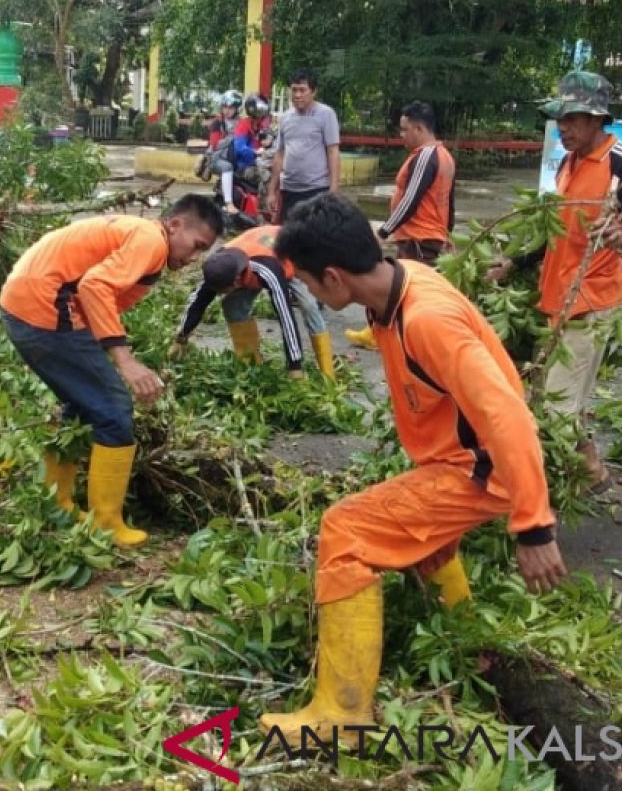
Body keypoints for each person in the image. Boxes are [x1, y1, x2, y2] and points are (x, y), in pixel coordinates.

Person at [261, 194, 563, 742]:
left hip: (479, 470)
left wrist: (534, 525)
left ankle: (340, 716)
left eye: (304, 280)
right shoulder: (399, 282)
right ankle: (465, 637)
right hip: (453, 461)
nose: (303, 290)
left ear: (333, 278)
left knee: (346, 530)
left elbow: (508, 417)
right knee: (419, 535)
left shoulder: (428, 319)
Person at [0, 196, 223, 548]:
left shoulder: (139, 235)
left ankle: (56, 503)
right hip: (44, 307)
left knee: (84, 404)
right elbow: (95, 287)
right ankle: (105, 523)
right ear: (175, 225)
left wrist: (103, 355)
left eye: (203, 253)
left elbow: (93, 294)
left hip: (24, 305)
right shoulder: (151, 240)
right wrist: (125, 362)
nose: (194, 258)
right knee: (114, 405)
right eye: (197, 246)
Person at [487, 71, 622, 491]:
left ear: (596, 118)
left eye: (571, 119)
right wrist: (513, 261)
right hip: (556, 301)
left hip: (591, 303)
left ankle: (536, 499)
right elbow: (558, 229)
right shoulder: (568, 163)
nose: (562, 128)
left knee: (554, 409)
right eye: (559, 119)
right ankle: (590, 472)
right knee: (549, 399)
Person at [345, 101, 456, 350]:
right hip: (428, 236)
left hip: (419, 237)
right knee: (409, 288)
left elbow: (411, 200)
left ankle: (395, 337)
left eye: (405, 130)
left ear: (419, 128)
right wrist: (448, 233)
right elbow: (449, 201)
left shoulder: (426, 156)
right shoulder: (445, 157)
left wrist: (384, 231)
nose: (402, 135)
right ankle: (382, 332)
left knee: (403, 289)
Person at [170, 225, 335, 379]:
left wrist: (295, 366)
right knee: (232, 307)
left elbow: (286, 318)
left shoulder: (268, 271)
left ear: (234, 282)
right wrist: (181, 338)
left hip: (291, 257)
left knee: (309, 306)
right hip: (252, 255)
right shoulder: (217, 267)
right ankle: (251, 366)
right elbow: (197, 303)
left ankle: (328, 374)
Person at [267, 70, 341, 224]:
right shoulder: (286, 118)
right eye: (294, 90)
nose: (297, 95)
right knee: (290, 238)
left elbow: (333, 152)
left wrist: (333, 190)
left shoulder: (326, 114)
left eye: (302, 90)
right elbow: (280, 154)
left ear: (313, 92)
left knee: (315, 239)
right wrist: (272, 191)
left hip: (317, 189)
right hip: (289, 190)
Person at [223, 94, 271, 215]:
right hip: (244, 167)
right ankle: (262, 213)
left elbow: (268, 140)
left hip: (259, 163)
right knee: (267, 177)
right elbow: (239, 148)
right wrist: (255, 152)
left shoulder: (260, 126)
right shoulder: (244, 125)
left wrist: (268, 142)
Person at [203, 90, 244, 207]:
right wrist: (231, 138)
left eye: (231, 107)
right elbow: (214, 145)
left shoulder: (241, 122)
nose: (227, 110)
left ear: (237, 109)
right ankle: (229, 202)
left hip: (235, 157)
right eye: (225, 107)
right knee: (227, 167)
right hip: (216, 158)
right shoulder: (217, 122)